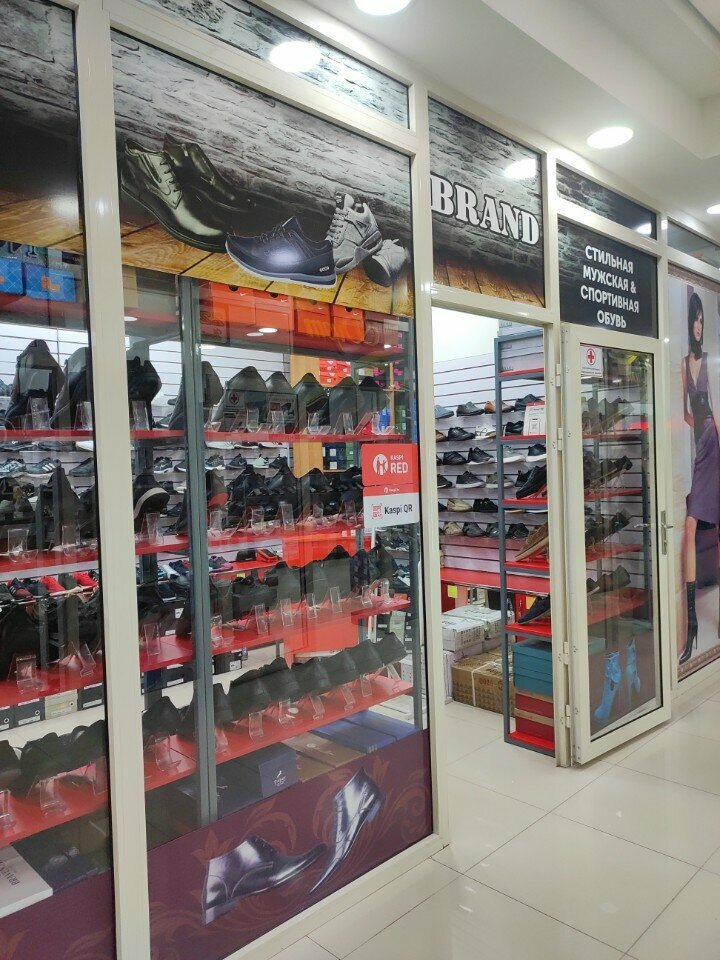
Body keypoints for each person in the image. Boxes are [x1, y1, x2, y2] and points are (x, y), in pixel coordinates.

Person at [680, 291, 720, 664]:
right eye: (695, 318)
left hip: (714, 446)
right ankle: (691, 625)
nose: (698, 325)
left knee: (703, 525)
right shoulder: (684, 363)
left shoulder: (709, 361)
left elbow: (715, 411)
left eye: (702, 320)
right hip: (699, 447)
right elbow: (686, 412)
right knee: (691, 525)